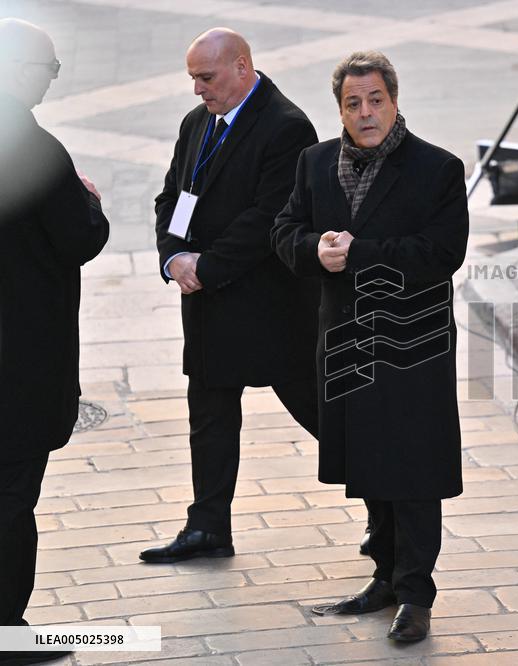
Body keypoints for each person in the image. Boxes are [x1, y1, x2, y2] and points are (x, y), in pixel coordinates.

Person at [272, 50, 469, 643]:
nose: (366, 113)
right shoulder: (313, 163)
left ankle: (416, 594)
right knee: (369, 464)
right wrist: (313, 251)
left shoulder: (438, 168)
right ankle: (384, 576)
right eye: (353, 103)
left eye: (375, 100)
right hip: (346, 342)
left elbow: (441, 254)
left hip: (414, 343)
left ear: (394, 100)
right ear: (340, 110)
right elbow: (283, 231)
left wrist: (357, 253)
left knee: (413, 469)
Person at [143, 28, 321, 564]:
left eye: (207, 77)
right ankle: (208, 527)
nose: (197, 89)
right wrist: (173, 258)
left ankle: (388, 510)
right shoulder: (197, 123)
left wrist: (208, 267)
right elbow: (173, 196)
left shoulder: (286, 127)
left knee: (322, 415)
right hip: (208, 304)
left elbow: (269, 217)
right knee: (210, 416)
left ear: (242, 66)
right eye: (193, 78)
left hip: (270, 309)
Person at [0, 18, 109, 664]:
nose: (50, 80)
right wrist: (89, 200)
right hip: (18, 367)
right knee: (11, 499)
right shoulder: (34, 148)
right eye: (48, 68)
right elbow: (79, 237)